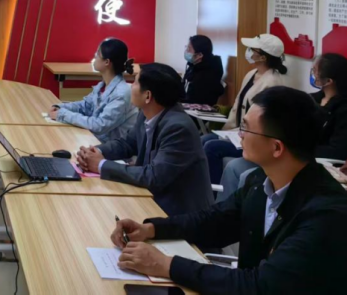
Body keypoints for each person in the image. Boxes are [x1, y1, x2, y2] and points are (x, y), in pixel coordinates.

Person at [110, 87, 347, 294]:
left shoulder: (326, 215)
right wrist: (151, 228)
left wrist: (165, 265)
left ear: (276, 148)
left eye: (246, 129)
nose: (239, 135)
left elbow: (260, 286)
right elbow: (215, 220)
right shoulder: (260, 181)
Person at [77, 63, 213, 215]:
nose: (130, 86)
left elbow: (153, 177)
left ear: (147, 96)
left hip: (180, 214)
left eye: (135, 82)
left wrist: (101, 165)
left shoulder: (178, 128)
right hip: (152, 199)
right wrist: (95, 152)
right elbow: (127, 143)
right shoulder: (146, 113)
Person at [219, 52, 347, 198]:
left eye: (315, 72)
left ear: (328, 80)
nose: (313, 75)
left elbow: (336, 150)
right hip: (284, 153)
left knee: (235, 167)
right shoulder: (309, 100)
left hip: (303, 159)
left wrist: (296, 149)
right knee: (233, 165)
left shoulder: (343, 110)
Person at [202, 34, 288, 184]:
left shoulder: (273, 82)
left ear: (263, 57)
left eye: (252, 49)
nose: (248, 52)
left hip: (253, 138)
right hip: (237, 132)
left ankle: (214, 192)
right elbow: (238, 105)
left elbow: (265, 120)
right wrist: (228, 130)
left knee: (211, 147)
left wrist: (242, 135)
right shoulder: (251, 74)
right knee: (204, 139)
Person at [48, 38, 137, 142]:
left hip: (108, 146)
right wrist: (60, 107)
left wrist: (63, 115)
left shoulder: (121, 94)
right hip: (94, 140)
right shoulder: (102, 86)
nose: (94, 56)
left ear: (107, 62)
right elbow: (85, 106)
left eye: (98, 54)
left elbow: (99, 125)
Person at [182, 35, 225, 106]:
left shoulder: (207, 76)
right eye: (186, 47)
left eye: (189, 49)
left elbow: (194, 101)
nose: (186, 51)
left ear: (199, 55)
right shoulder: (194, 66)